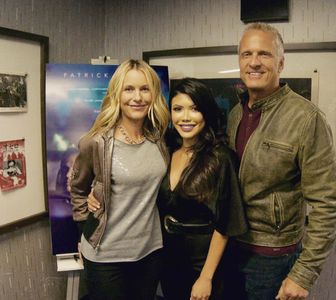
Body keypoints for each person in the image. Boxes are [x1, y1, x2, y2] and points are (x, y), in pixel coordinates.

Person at [227, 22, 336, 300]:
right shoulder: (235, 114)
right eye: (246, 54)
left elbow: (327, 203)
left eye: (264, 54)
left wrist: (303, 274)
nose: (254, 62)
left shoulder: (306, 118)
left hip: (273, 257)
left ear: (281, 63)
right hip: (231, 247)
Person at [70, 59, 170, 300]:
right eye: (129, 89)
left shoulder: (159, 138)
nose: (137, 97)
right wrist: (86, 231)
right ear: (117, 94)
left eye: (144, 89)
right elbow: (78, 190)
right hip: (106, 257)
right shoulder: (96, 142)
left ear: (153, 94)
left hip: (150, 252)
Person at [158, 78, 247, 300]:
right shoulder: (167, 151)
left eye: (195, 109)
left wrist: (206, 277)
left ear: (206, 113)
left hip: (205, 265)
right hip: (169, 259)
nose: (185, 117)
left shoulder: (221, 158)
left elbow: (226, 222)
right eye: (178, 109)